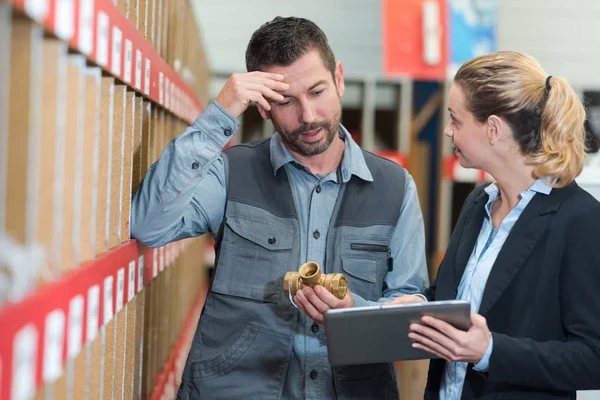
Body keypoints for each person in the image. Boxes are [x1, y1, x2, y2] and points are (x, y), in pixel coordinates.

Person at [131, 16, 429, 399]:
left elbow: (409, 308)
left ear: (339, 79)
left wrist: (357, 311)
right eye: (286, 101)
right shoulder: (231, 173)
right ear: (262, 107)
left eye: (317, 91)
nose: (307, 116)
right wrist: (218, 114)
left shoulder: (395, 187)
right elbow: (149, 225)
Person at [402, 51, 600, 399]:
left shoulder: (580, 221)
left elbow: (593, 358)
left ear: (493, 129)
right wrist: (400, 307)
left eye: (455, 119)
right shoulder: (478, 202)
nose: (448, 130)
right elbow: (450, 300)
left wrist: (491, 351)